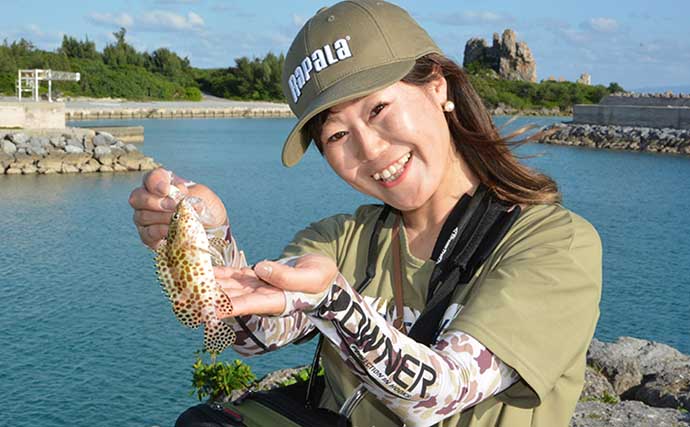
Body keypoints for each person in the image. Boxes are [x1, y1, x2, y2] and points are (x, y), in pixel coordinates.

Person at [129, 1, 602, 426]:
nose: (371, 150)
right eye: (336, 136)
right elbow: (257, 335)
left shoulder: (556, 244)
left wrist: (332, 302)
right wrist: (210, 239)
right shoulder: (342, 237)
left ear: (438, 87)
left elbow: (437, 394)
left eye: (378, 108)